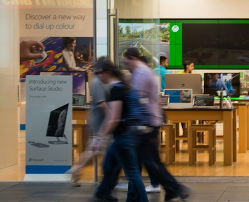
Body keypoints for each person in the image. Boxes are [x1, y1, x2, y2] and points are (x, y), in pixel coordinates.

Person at [122, 48, 188, 201]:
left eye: (126, 63)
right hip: (149, 122)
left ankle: (173, 187)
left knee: (147, 161)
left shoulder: (141, 74)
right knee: (148, 160)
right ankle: (171, 188)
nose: (126, 67)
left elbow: (139, 100)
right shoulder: (144, 72)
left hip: (146, 124)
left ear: (132, 58)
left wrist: (137, 123)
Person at [90, 58, 149, 202]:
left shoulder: (116, 90)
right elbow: (111, 117)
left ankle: (142, 200)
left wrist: (100, 138)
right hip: (126, 136)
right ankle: (102, 194)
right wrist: (100, 136)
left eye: (100, 73)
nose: (98, 77)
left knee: (132, 174)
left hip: (124, 137)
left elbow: (114, 118)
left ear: (108, 72)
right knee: (109, 166)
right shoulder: (124, 86)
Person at [68, 58, 112, 183]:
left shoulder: (100, 81)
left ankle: (78, 169)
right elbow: (102, 104)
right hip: (100, 122)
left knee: (98, 149)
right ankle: (76, 169)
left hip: (101, 121)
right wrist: (112, 116)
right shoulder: (98, 82)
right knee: (95, 149)